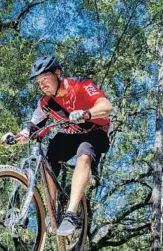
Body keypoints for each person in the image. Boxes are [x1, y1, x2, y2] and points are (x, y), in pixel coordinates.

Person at [15, 55, 113, 236]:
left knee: (84, 155)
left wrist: (86, 113)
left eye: (45, 79)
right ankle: (52, 213)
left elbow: (106, 105)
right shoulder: (45, 103)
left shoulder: (81, 85)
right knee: (47, 160)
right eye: (39, 82)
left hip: (94, 130)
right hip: (70, 135)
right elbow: (33, 125)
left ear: (58, 73)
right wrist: (21, 135)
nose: (42, 85)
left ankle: (71, 213)